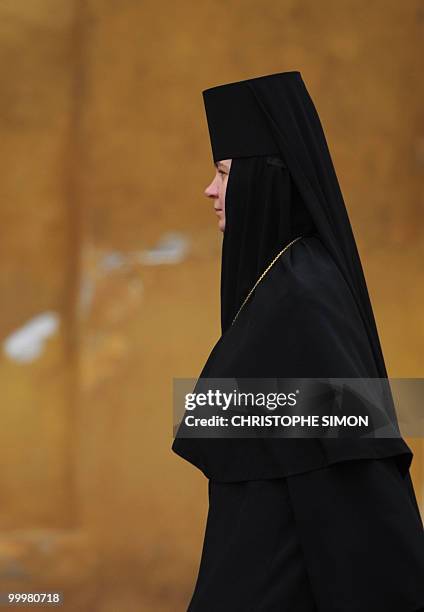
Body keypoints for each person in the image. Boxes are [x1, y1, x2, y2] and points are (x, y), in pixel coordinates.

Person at [172, 71, 424, 611]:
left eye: (223, 173)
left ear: (266, 181)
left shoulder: (303, 296)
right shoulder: (285, 283)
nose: (210, 190)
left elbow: (359, 473)